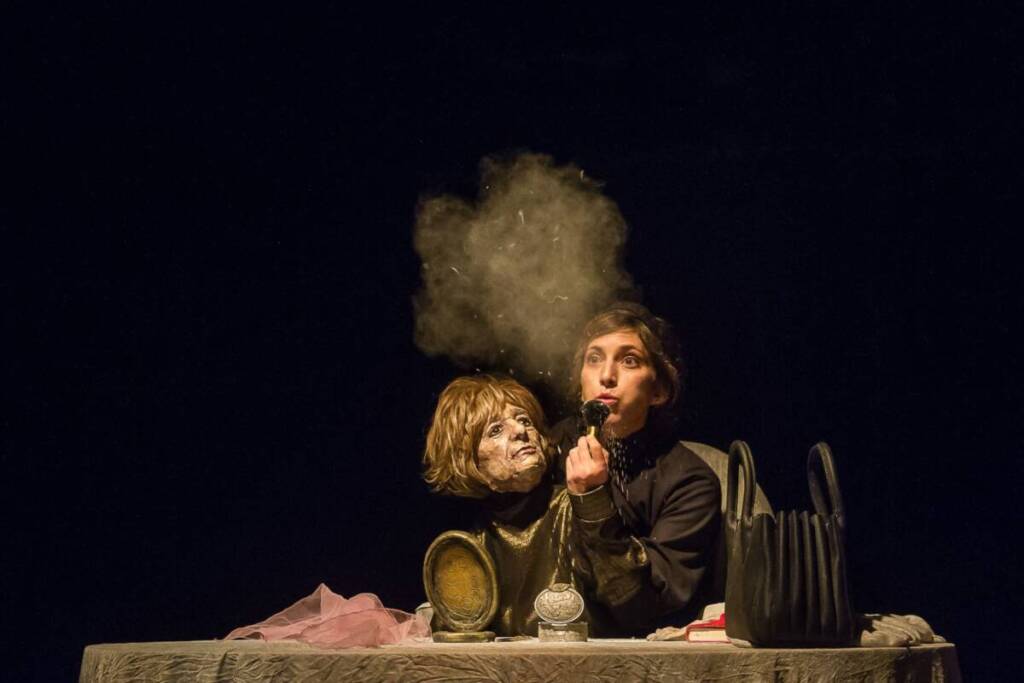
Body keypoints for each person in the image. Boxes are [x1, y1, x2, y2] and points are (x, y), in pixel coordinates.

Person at [550, 302, 723, 635]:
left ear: (659, 390)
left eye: (629, 360)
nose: (606, 376)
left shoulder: (689, 482)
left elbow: (642, 608)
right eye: (594, 358)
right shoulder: (551, 446)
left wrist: (593, 500)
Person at [423, 375, 600, 636]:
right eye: (495, 430)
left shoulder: (574, 509)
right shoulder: (474, 543)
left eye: (525, 420)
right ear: (468, 459)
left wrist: (594, 502)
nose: (520, 431)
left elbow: (628, 597)